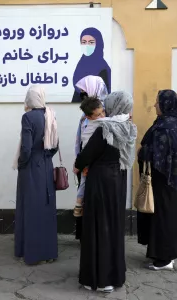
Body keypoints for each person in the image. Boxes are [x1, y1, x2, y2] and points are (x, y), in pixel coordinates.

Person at [74, 91, 137, 292]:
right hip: (118, 180)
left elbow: (86, 155)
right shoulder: (128, 126)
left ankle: (99, 279)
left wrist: (78, 165)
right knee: (113, 226)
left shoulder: (105, 128)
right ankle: (113, 276)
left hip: (100, 181)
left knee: (97, 227)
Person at [137, 89, 177, 271]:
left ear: (166, 104)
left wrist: (144, 152)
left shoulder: (168, 126)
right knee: (162, 217)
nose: (155, 105)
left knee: (164, 218)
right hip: (166, 181)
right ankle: (160, 254)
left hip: (166, 181)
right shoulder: (168, 123)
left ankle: (165, 259)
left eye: (157, 102)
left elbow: (164, 153)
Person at [13, 85, 59, 265]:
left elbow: (26, 148)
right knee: (46, 207)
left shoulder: (28, 117)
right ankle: (49, 252)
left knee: (30, 207)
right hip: (46, 165)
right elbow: (55, 144)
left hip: (32, 166)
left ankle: (32, 253)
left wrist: (22, 163)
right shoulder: (51, 115)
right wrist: (45, 157)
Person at [73, 75, 108, 240]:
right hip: (84, 163)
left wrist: (83, 162)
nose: (82, 94)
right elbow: (81, 140)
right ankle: (85, 235)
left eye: (84, 91)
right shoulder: (87, 114)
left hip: (93, 165)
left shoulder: (103, 114)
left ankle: (90, 237)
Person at [73, 97, 105, 217]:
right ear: (88, 117)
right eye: (98, 115)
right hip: (87, 163)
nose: (102, 116)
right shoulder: (86, 125)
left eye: (103, 112)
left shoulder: (108, 123)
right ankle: (79, 203)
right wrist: (78, 162)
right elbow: (81, 144)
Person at [71, 28, 111, 103]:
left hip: (94, 109)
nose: (86, 45)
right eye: (84, 42)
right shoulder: (82, 63)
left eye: (91, 42)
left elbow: (104, 95)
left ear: (98, 44)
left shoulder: (103, 68)